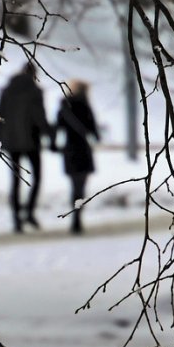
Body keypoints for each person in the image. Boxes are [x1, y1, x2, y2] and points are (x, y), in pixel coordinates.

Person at [0, 62, 51, 233]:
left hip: (12, 142)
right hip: (32, 142)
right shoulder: (35, 92)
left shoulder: (7, 91)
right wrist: (49, 133)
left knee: (15, 181)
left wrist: (0, 140)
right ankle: (29, 212)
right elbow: (39, 117)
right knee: (37, 177)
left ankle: (16, 218)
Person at [51, 80, 100, 234]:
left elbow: (56, 127)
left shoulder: (64, 107)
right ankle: (77, 217)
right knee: (81, 186)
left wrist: (53, 145)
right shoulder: (85, 106)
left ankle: (75, 218)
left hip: (69, 150)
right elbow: (94, 131)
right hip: (83, 150)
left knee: (74, 186)